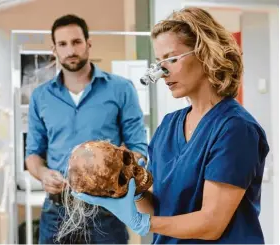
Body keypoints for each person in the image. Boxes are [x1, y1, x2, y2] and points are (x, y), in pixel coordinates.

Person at [73, 7, 270, 244]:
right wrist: (125, 186)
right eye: (158, 62)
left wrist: (143, 223)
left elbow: (211, 224)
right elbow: (157, 210)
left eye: (171, 59)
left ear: (205, 53)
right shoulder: (169, 126)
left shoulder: (235, 128)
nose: (162, 72)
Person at [25, 14, 148, 244]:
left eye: (76, 42)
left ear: (88, 44)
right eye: (62, 44)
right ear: (54, 49)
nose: (70, 50)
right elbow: (33, 154)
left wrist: (115, 165)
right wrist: (43, 175)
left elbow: (139, 148)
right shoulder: (41, 97)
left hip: (107, 210)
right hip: (57, 210)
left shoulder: (121, 89)